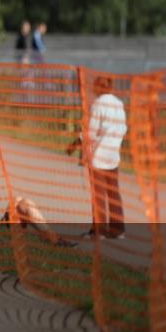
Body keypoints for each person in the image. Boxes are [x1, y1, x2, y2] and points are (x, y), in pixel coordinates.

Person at [68, 76, 128, 239]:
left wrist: (74, 146)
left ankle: (98, 232)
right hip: (113, 155)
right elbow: (123, 128)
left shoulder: (98, 104)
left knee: (99, 195)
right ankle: (118, 230)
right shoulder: (119, 104)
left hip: (99, 157)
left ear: (99, 88)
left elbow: (90, 133)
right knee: (113, 193)